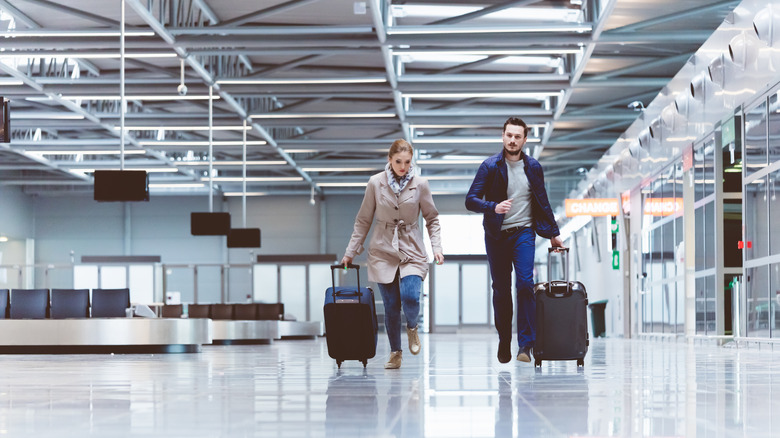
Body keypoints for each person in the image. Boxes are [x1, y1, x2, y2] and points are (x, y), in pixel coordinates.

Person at [465, 117, 563, 364]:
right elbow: (471, 200)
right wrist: (493, 206)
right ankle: (503, 338)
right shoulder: (489, 166)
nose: (512, 140)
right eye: (509, 135)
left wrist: (554, 233)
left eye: (517, 136)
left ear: (524, 140)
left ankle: (525, 345)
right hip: (497, 235)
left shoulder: (533, 167)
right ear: (503, 136)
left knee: (524, 283)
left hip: (524, 232)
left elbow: (542, 201)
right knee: (501, 290)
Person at [341, 139, 444, 370]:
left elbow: (432, 219)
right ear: (390, 159)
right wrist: (350, 252)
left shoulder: (421, 184)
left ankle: (413, 328)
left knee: (410, 296)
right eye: (398, 161)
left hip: (412, 247)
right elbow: (363, 220)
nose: (403, 167)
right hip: (383, 248)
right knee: (390, 306)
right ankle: (395, 352)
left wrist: (437, 247)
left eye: (407, 162)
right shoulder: (375, 183)